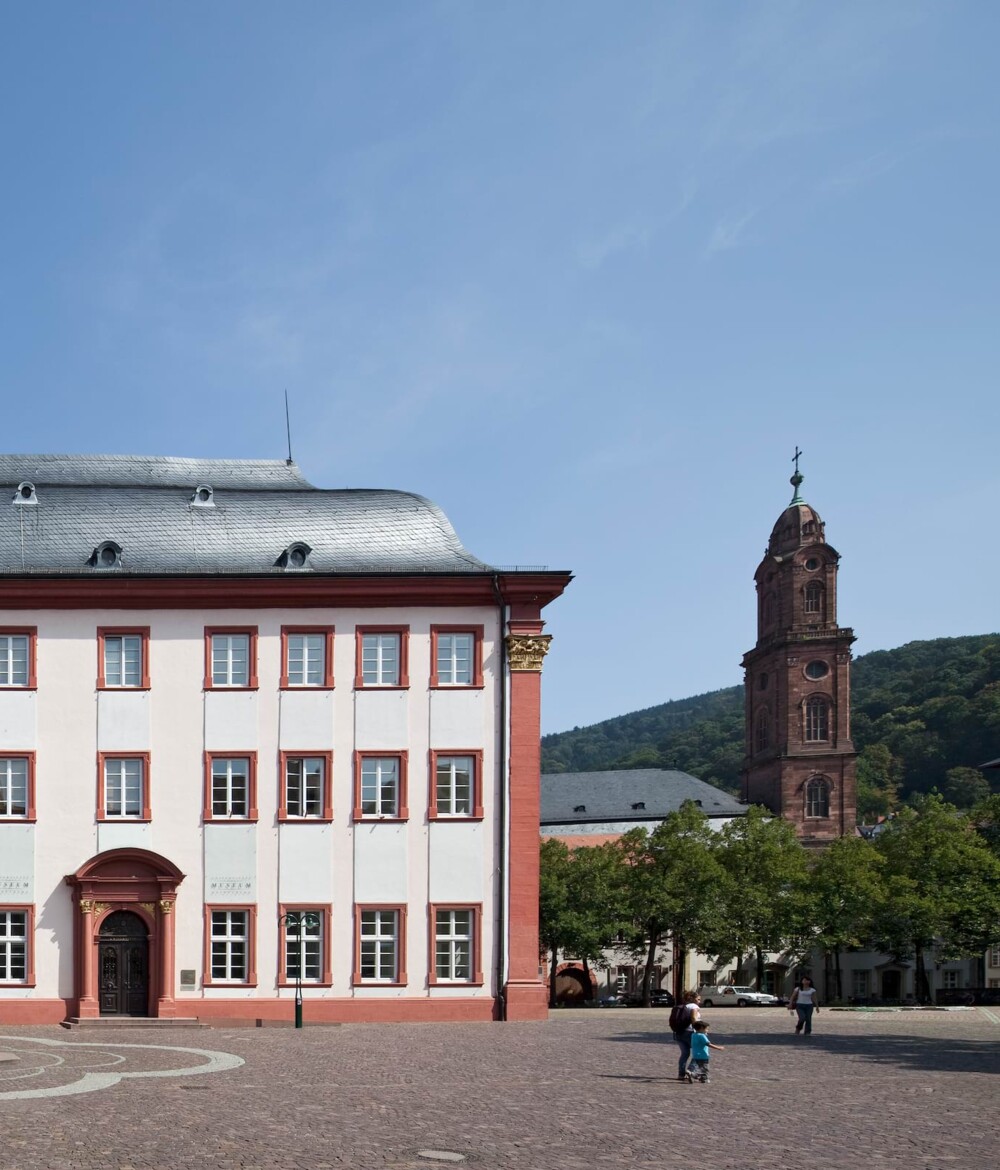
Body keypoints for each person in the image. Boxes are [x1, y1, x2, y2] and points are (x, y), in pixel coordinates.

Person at [670, 991, 701, 1081]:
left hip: (679, 1032)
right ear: (693, 999)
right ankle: (691, 1070)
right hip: (690, 1032)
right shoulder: (694, 1006)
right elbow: (693, 1018)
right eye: (698, 999)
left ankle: (681, 1074)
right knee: (698, 1052)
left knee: (684, 1054)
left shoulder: (683, 1006)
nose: (699, 1001)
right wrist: (699, 1030)